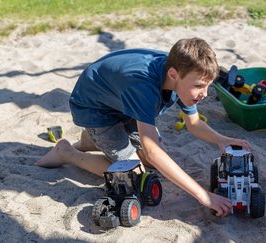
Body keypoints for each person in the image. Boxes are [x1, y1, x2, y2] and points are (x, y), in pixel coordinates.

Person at [35, 37, 252, 217]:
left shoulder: (181, 75)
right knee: (134, 176)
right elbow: (152, 150)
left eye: (207, 86)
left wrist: (221, 140)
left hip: (120, 101)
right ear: (174, 75)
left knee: (153, 163)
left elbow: (193, 124)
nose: (204, 94)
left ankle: (92, 140)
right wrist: (204, 196)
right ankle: (68, 152)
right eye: (198, 86)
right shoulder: (144, 87)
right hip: (94, 107)